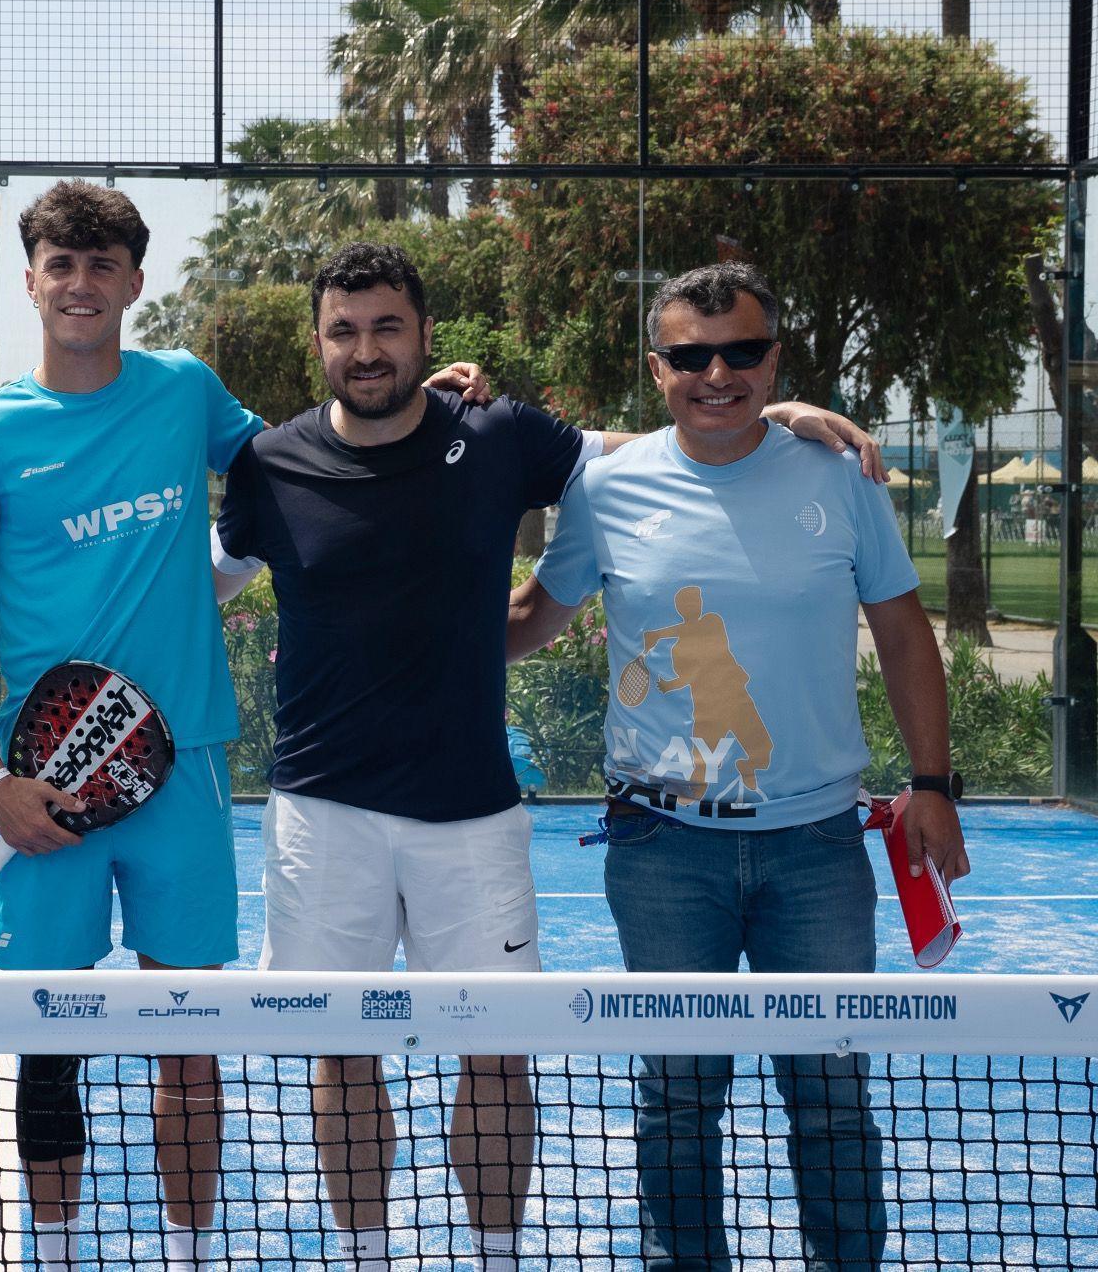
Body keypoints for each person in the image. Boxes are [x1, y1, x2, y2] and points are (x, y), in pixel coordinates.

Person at [211, 243, 880, 1272]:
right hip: (319, 814)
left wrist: (770, 417)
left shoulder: (499, 435)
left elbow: (657, 445)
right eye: (344, 329)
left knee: (495, 1051)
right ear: (318, 342)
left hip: (472, 814)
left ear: (424, 334)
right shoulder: (270, 463)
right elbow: (198, 585)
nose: (366, 348)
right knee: (340, 1054)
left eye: (387, 326)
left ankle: (493, 1260)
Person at [508, 261, 970, 1272]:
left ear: (774, 360)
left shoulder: (838, 477)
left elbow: (902, 632)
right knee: (676, 1099)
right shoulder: (605, 486)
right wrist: (400, 634)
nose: (716, 374)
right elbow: (533, 617)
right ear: (656, 368)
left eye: (741, 352)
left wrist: (932, 786)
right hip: (660, 848)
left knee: (831, 1094)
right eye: (690, 356)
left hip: (818, 847)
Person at [0, 181, 268, 1272]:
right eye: (60, 265)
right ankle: (58, 1254)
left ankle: (188, 1256)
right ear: (30, 282)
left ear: (133, 281)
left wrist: (430, 413)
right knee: (49, 1046)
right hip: (42, 786)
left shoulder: (186, 391)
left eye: (101, 264)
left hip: (184, 765)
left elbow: (312, 462)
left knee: (187, 1041)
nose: (80, 284)